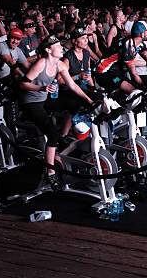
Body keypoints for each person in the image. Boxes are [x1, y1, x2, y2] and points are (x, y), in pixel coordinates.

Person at [18, 35, 93, 190]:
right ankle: (50, 172)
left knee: (75, 104)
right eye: (57, 46)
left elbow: (72, 85)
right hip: (30, 102)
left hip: (45, 99)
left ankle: (64, 137)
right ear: (48, 50)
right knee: (52, 134)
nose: (61, 48)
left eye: (60, 45)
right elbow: (23, 84)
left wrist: (89, 100)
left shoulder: (60, 65)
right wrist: (41, 88)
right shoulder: (41, 63)